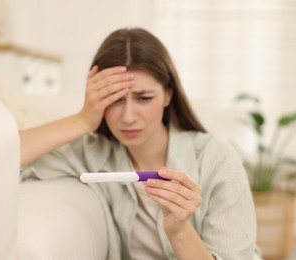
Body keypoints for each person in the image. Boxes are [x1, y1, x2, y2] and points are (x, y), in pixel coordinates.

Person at [20, 27, 260, 260]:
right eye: (114, 100)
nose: (128, 117)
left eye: (144, 98)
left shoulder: (216, 158)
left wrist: (179, 231)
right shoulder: (89, 155)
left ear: (168, 94)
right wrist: (82, 120)